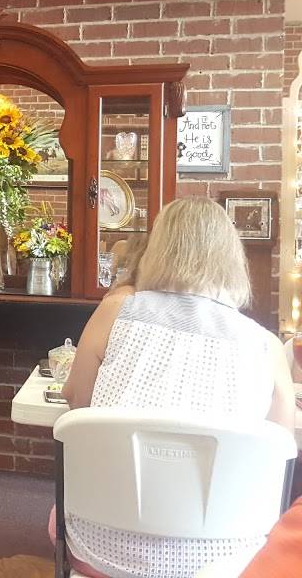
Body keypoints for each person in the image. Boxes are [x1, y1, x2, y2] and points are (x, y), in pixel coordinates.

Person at [53, 197, 295, 578]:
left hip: (101, 543)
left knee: (63, 509)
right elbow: (278, 452)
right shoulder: (267, 348)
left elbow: (76, 401)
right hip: (226, 557)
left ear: (158, 249)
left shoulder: (116, 312)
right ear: (231, 258)